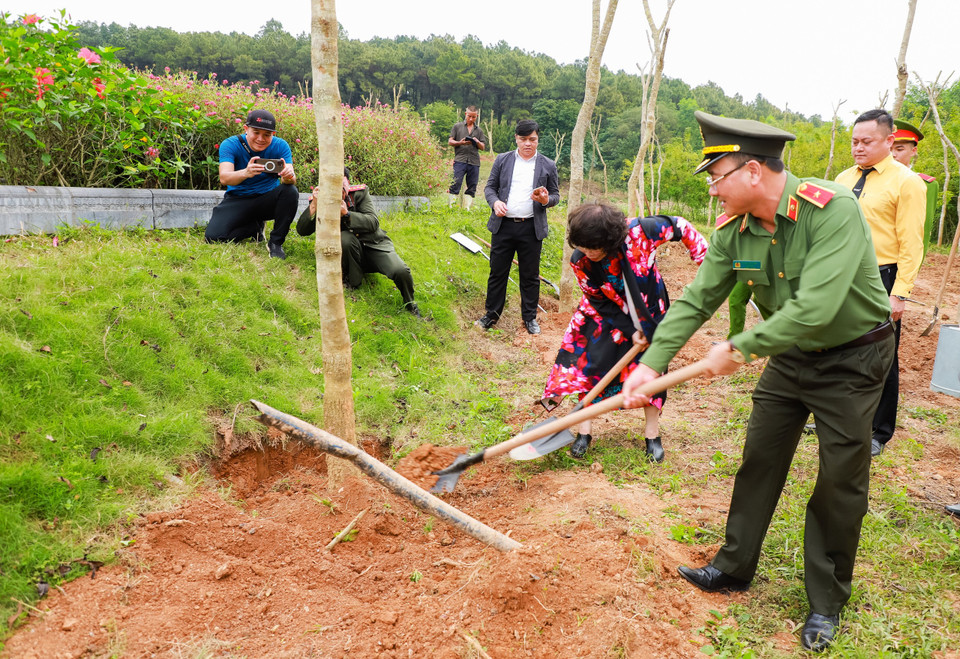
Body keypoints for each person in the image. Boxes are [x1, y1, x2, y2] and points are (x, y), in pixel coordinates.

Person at [623, 111, 894, 653]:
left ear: (751, 172)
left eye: (716, 177)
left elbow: (816, 306)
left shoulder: (831, 211)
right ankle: (733, 565)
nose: (712, 190)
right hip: (789, 356)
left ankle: (825, 601)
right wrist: (652, 364)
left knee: (840, 479)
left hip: (852, 360)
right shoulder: (734, 231)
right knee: (760, 457)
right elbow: (699, 298)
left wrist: (740, 348)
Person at [541, 203, 708, 460]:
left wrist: (706, 262)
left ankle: (652, 434)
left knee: (652, 368)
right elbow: (597, 299)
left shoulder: (642, 231)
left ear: (609, 240)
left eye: (591, 247)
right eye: (581, 247)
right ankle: (584, 431)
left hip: (648, 308)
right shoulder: (581, 260)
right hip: (603, 312)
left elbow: (680, 226)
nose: (585, 252)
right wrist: (629, 330)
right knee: (590, 365)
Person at [836, 109, 927, 457]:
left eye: (866, 142)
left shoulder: (906, 182)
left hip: (880, 277)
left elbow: (911, 243)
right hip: (840, 275)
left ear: (889, 141)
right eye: (854, 141)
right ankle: (841, 416)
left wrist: (900, 293)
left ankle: (878, 430)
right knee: (839, 350)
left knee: (880, 356)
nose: (858, 148)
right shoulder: (844, 178)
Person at [296, 168, 419, 317]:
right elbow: (302, 230)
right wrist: (315, 206)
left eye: (339, 184)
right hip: (348, 251)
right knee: (345, 239)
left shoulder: (360, 194)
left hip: (375, 246)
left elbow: (373, 222)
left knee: (400, 270)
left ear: (347, 183)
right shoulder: (320, 200)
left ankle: (410, 304)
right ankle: (353, 281)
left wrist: (347, 214)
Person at [477, 119, 560, 335]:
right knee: (497, 273)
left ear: (537, 139)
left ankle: (530, 318)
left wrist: (544, 200)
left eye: (532, 139)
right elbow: (490, 188)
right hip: (503, 226)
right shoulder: (503, 160)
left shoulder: (547, 165)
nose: (527, 144)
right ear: (516, 138)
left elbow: (555, 195)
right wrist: (495, 202)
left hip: (531, 228)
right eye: (523, 139)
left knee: (530, 275)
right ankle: (491, 315)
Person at [205, 109, 298, 259]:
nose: (261, 139)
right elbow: (224, 178)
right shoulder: (230, 144)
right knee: (213, 237)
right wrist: (246, 173)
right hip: (238, 199)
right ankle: (253, 228)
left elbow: (291, 179)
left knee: (290, 191)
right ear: (246, 129)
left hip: (266, 199)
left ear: (273, 134)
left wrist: (288, 176)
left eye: (267, 135)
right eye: (256, 133)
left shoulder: (281, 146)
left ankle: (275, 243)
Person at [891, 118, 939, 260]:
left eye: (899, 149)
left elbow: (921, 232)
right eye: (889, 149)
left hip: (897, 261)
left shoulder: (926, 184)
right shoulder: (867, 179)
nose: (893, 155)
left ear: (913, 151)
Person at [447, 106, 487, 210]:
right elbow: (450, 141)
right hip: (460, 159)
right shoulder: (457, 126)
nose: (471, 119)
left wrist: (477, 141)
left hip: (474, 161)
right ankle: (452, 207)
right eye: (469, 116)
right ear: (465, 114)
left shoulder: (479, 131)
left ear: (476, 117)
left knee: (472, 185)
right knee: (455, 182)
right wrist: (460, 142)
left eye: (473, 117)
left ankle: (467, 208)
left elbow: (483, 147)